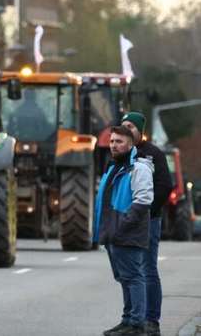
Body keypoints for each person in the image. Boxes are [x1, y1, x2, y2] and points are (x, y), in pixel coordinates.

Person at [94, 125, 154, 336]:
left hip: (127, 233)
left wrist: (122, 225)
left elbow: (143, 200)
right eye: (112, 141)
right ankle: (127, 320)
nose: (114, 145)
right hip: (113, 233)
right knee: (124, 278)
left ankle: (136, 324)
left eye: (119, 142)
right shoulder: (114, 168)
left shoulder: (139, 168)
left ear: (130, 144)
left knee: (133, 278)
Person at [121, 112, 172, 336]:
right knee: (129, 272)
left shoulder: (153, 154)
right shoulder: (121, 154)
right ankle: (132, 320)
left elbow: (164, 186)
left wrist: (146, 209)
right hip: (126, 222)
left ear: (140, 130)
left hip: (149, 220)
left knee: (147, 269)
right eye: (123, 125)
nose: (126, 129)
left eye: (130, 126)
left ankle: (152, 320)